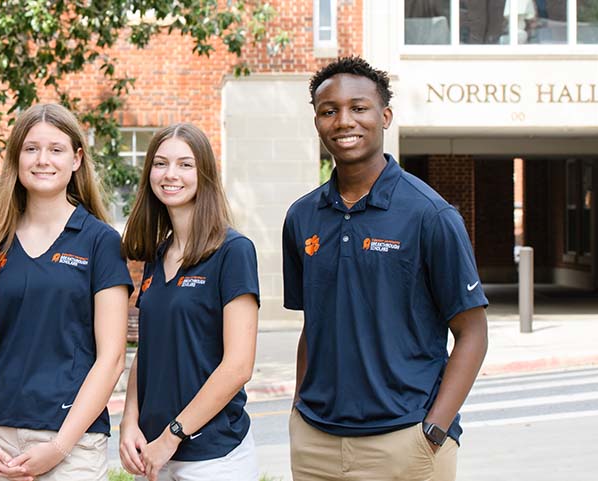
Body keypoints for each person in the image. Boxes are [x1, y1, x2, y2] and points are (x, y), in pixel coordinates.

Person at [283, 56, 489, 481]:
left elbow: (473, 332)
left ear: (385, 116)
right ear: (318, 122)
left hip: (405, 442)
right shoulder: (301, 217)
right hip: (316, 444)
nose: (344, 121)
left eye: (358, 108)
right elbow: (313, 324)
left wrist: (434, 428)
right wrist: (298, 410)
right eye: (329, 111)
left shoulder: (430, 215)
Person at [0, 103, 131, 481]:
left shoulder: (100, 242)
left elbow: (112, 358)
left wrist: (58, 448)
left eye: (56, 149)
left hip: (73, 443)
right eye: (31, 148)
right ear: (17, 159)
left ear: (76, 159)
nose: (42, 160)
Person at [118, 124, 260, 481]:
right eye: (161, 163)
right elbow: (148, 352)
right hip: (152, 453)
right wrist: (129, 421)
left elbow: (238, 366)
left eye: (185, 165)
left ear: (204, 174)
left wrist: (173, 435)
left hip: (214, 457)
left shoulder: (233, 251)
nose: (170, 175)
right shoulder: (158, 255)